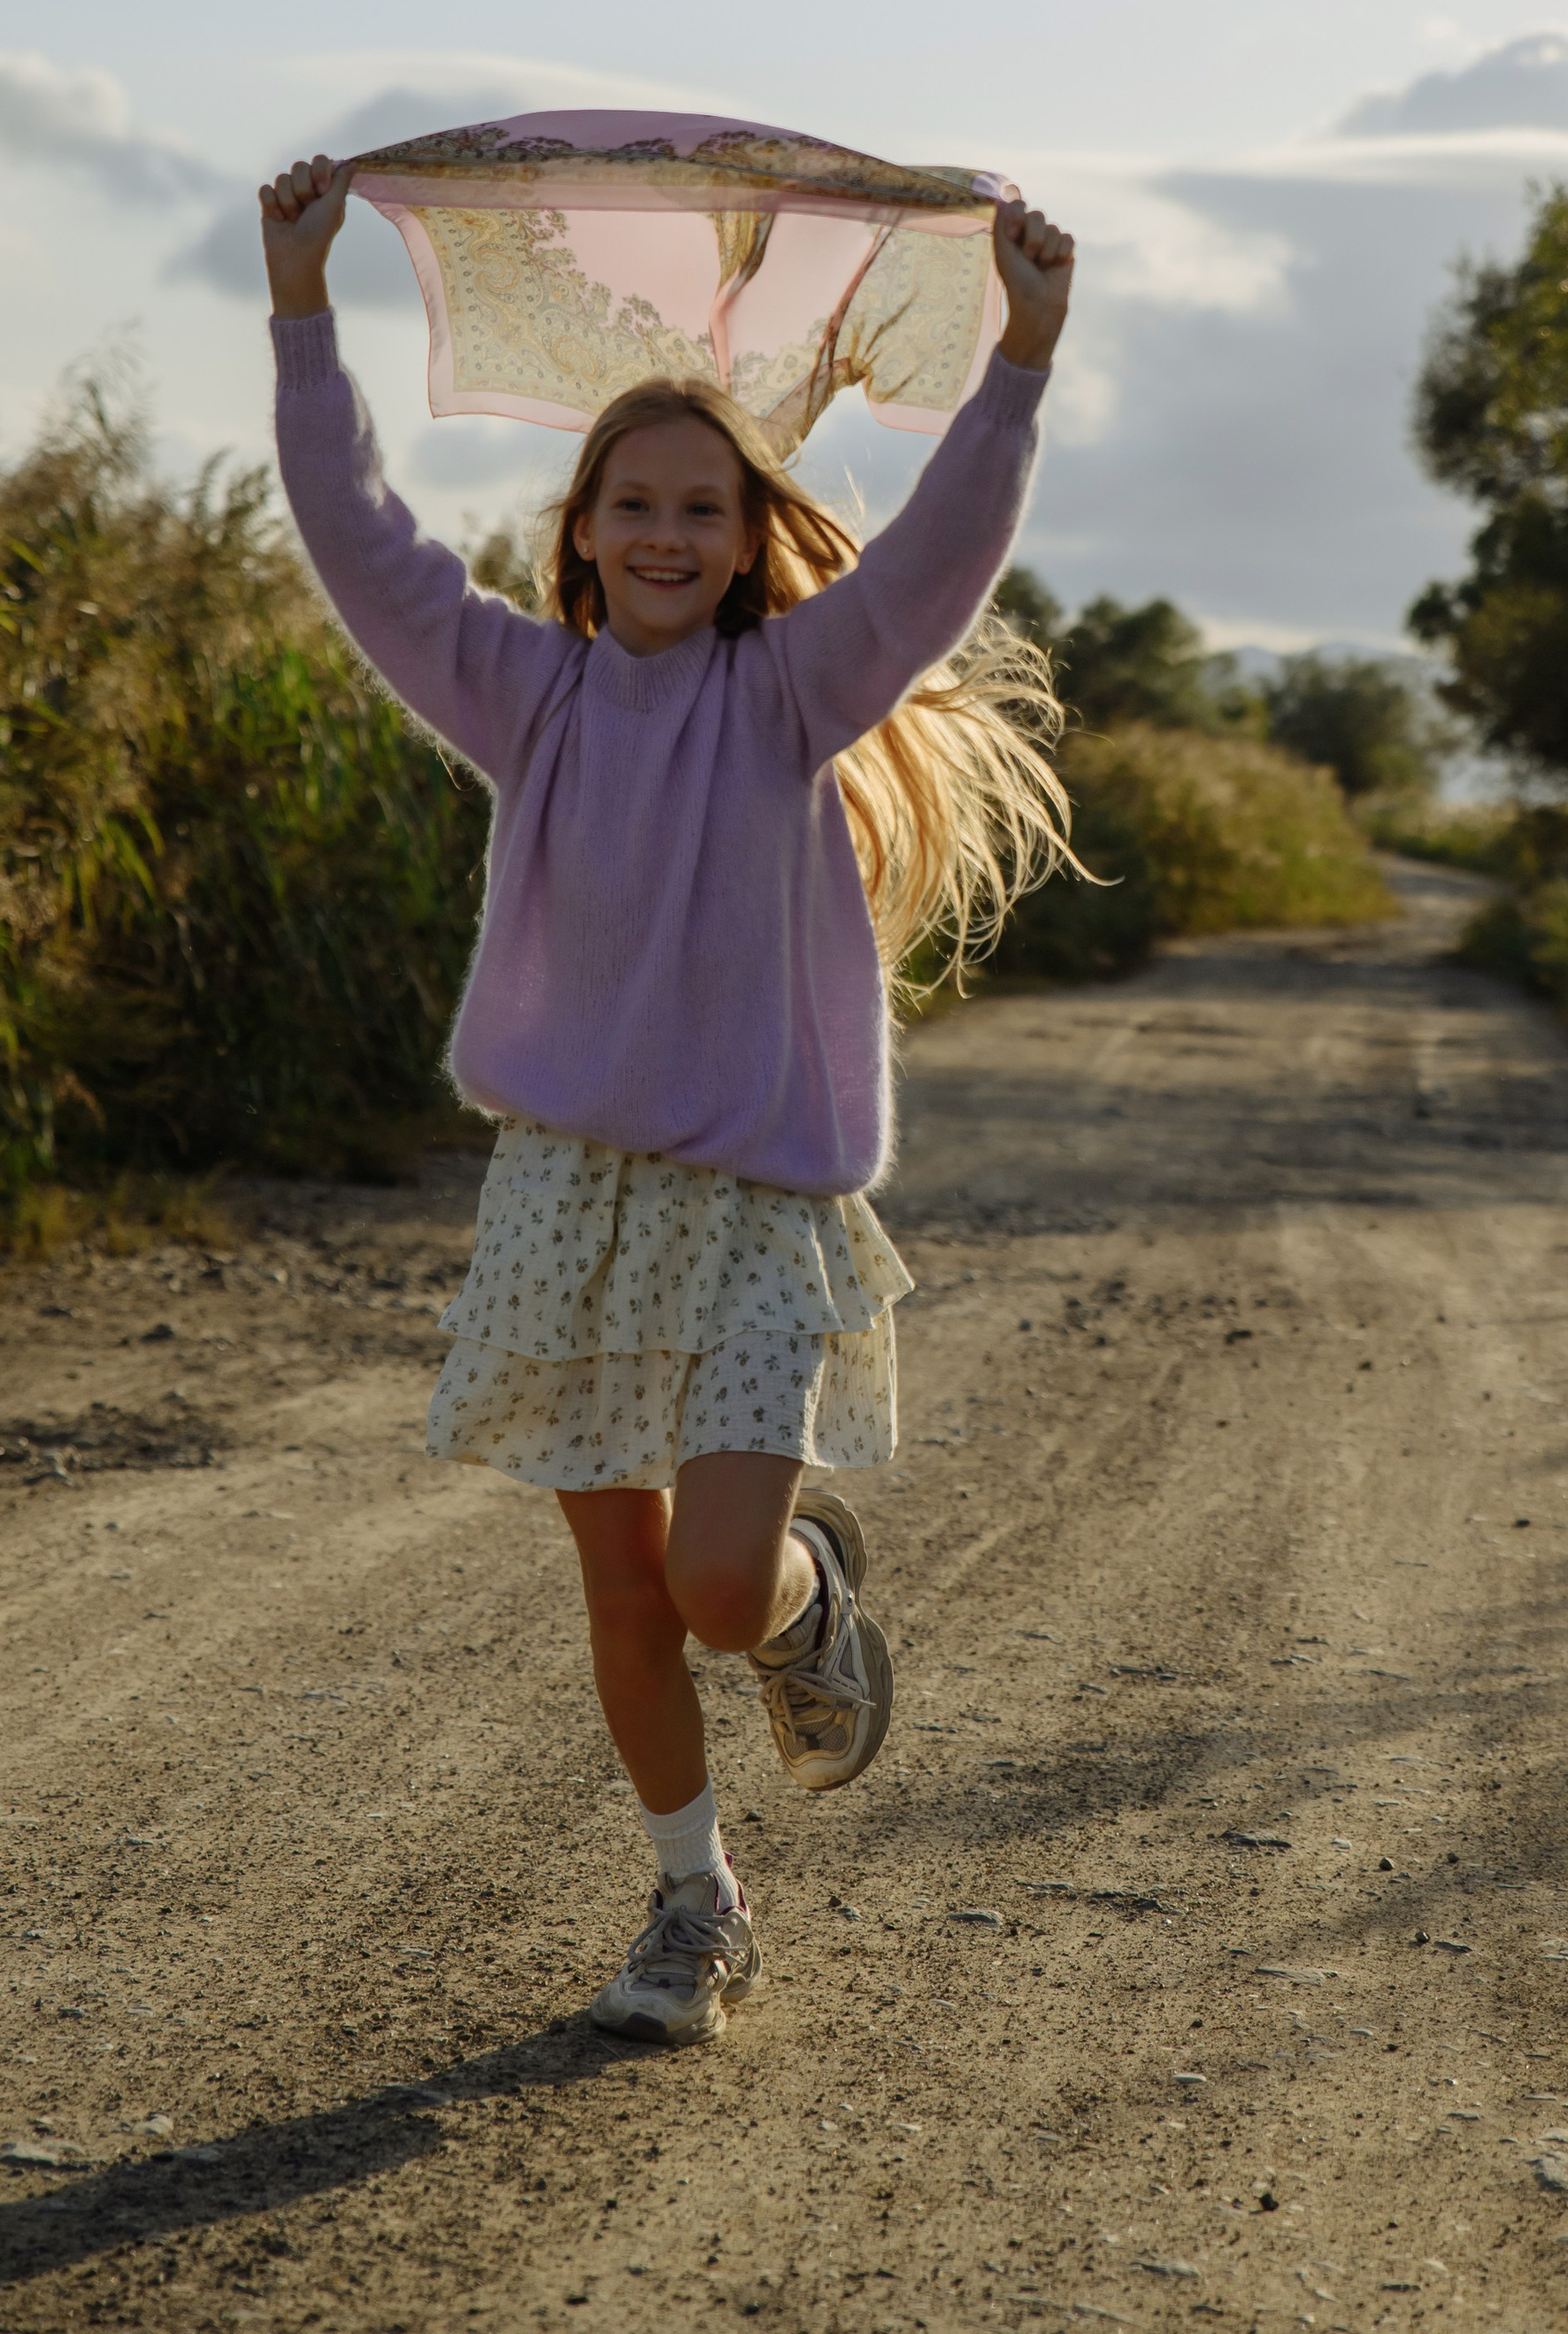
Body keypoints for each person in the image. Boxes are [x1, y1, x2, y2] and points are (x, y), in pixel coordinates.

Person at [258, 152, 1074, 2045]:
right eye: (631, 501)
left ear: (741, 533)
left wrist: (1017, 363)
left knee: (713, 1586)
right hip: (565, 1199)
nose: (661, 530)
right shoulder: (516, 693)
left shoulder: (795, 692)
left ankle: (803, 1606)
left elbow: (944, 557)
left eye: (698, 506)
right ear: (582, 524)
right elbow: (357, 529)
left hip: (755, 1206)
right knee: (623, 1597)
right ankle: (689, 1908)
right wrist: (303, 312)